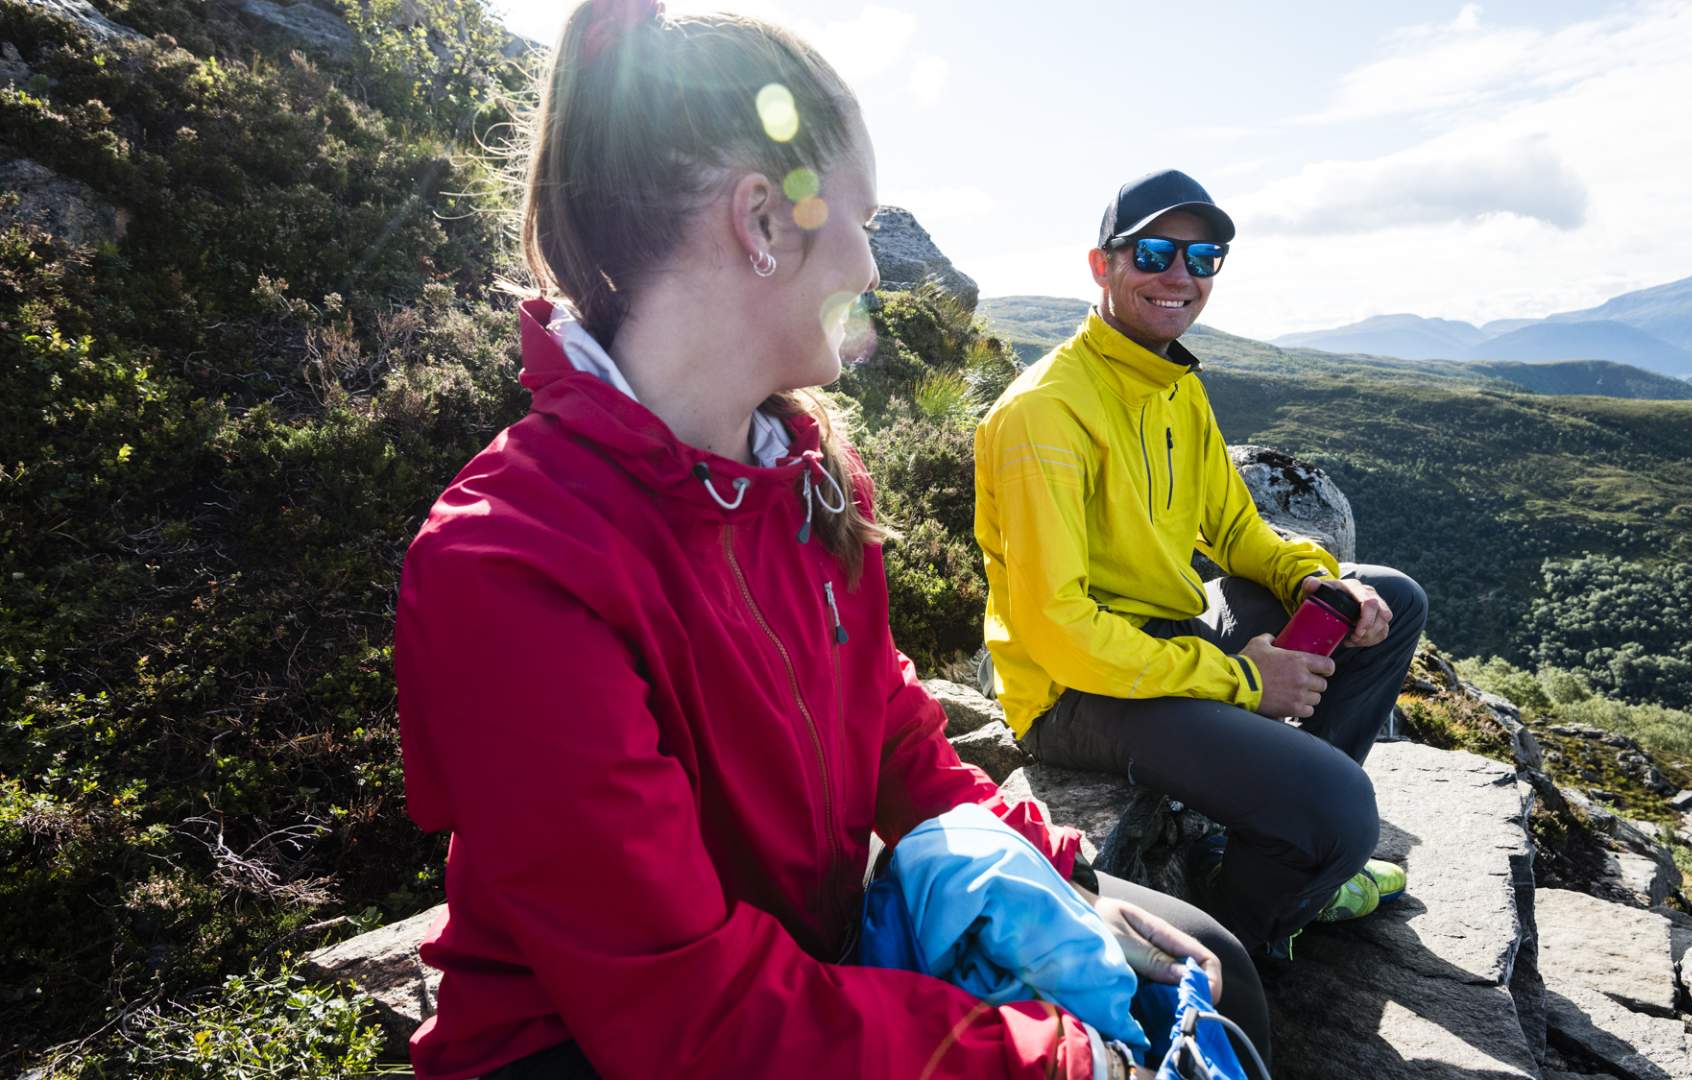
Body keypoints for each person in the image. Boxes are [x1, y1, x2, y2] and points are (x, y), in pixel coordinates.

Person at [394, 6, 1268, 1076]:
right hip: (596, 1044)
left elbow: (888, 726)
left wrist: (1060, 874)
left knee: (1211, 968)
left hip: (794, 964)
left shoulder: (807, 479)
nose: (874, 260)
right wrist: (1060, 1061)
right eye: (863, 216)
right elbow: (686, 1014)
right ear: (762, 223)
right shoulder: (513, 564)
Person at [974, 169, 1429, 963]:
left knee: (1386, 600)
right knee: (1344, 811)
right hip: (1074, 690)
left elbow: (1234, 528)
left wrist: (1313, 579)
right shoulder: (1043, 413)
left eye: (1203, 256)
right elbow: (1058, 628)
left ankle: (1275, 854)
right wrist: (1244, 682)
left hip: (1169, 636)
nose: (1178, 274)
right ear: (1102, 265)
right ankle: (1242, 943)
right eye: (1152, 251)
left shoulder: (1173, 387)